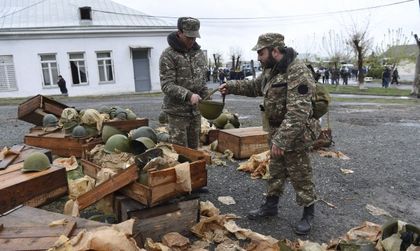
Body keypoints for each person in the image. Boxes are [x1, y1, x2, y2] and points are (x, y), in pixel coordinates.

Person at [219, 33, 319, 235]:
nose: (258, 57)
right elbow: (254, 86)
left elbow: (298, 112)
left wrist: (282, 140)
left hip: (295, 133)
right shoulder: (270, 70)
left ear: (275, 51)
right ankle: (271, 205)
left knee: (300, 173)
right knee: (275, 170)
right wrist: (230, 86)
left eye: (261, 52)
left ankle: (308, 213)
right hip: (275, 129)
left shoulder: (298, 71)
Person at [159, 17, 208, 149]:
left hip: (195, 113)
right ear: (179, 33)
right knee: (180, 154)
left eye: (194, 37)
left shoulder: (199, 54)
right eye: (188, 37)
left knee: (194, 152)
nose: (192, 41)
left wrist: (208, 99)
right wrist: (189, 95)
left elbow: (202, 81)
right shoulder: (168, 55)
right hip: (177, 114)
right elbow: (167, 85)